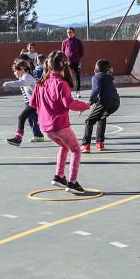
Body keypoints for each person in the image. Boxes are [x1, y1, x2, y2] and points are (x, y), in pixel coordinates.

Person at [30, 52, 90, 194]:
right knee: (75, 150)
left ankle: (59, 176)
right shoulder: (61, 84)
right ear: (64, 66)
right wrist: (85, 106)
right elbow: (69, 103)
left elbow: (33, 103)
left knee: (64, 146)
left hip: (46, 127)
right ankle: (72, 182)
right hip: (60, 126)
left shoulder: (40, 83)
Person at [81, 59, 120, 153]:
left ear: (95, 69)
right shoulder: (108, 77)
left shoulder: (96, 77)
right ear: (107, 70)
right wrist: (92, 102)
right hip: (116, 102)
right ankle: (100, 143)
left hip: (105, 101)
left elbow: (96, 90)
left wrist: (89, 102)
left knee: (89, 121)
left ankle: (86, 145)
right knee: (101, 118)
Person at [5, 59, 46, 146]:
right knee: (27, 118)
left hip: (37, 102)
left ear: (22, 69)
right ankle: (36, 135)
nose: (14, 73)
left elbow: (21, 83)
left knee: (21, 117)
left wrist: (8, 83)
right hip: (34, 102)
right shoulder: (24, 76)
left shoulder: (26, 76)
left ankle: (18, 139)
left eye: (15, 71)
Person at [61, 28, 85, 97]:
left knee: (77, 77)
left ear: (74, 33)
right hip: (67, 63)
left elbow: (82, 53)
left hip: (76, 62)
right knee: (66, 77)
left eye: (70, 32)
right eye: (68, 32)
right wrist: (65, 61)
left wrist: (77, 59)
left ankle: (78, 92)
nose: (69, 33)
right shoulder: (64, 42)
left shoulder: (78, 42)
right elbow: (62, 53)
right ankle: (67, 92)